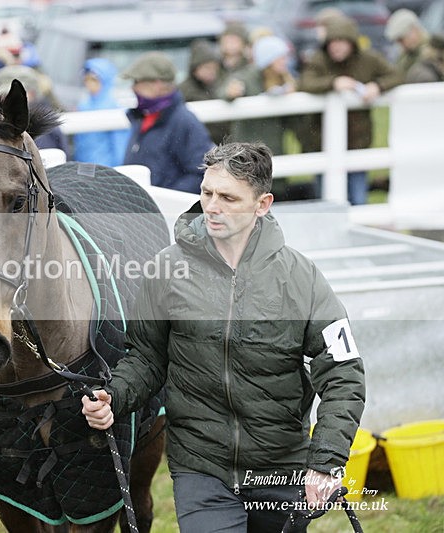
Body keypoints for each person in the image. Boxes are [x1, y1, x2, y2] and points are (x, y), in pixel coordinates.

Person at [82, 141, 366, 533]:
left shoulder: (302, 279)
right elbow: (147, 357)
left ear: (262, 204)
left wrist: (326, 460)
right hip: (201, 466)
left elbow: (343, 374)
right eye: (207, 192)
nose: (212, 206)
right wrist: (115, 397)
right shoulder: (166, 268)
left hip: (280, 466)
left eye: (228, 198)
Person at [299, 15, 403, 205]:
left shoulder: (369, 59)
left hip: (357, 140)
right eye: (332, 42)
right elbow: (305, 82)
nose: (336, 46)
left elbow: (396, 75)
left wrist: (378, 86)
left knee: (358, 198)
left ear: (351, 43)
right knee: (327, 199)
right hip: (323, 141)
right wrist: (333, 83)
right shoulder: (319, 60)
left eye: (341, 41)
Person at [121, 51, 213, 193]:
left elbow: (201, 172)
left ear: (157, 84)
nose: (133, 88)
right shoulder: (143, 117)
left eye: (137, 82)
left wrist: (165, 199)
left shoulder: (184, 122)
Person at [221, 35, 298, 156]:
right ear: (269, 60)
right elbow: (224, 89)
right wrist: (230, 92)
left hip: (275, 146)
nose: (285, 61)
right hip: (248, 147)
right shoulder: (248, 77)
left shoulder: (286, 79)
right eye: (281, 58)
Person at [0, 64, 70, 156]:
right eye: (5, 94)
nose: (11, 99)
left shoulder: (45, 126)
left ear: (33, 93)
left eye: (18, 94)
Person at [72, 58, 130, 167]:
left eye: (94, 79)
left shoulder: (114, 106)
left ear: (105, 80)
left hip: (106, 169)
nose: (89, 83)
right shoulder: (84, 104)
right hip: (83, 168)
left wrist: (119, 170)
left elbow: (120, 145)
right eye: (87, 79)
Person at [178, 39, 229, 145]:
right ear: (195, 69)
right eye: (207, 68)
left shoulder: (223, 83)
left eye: (214, 68)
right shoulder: (183, 90)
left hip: (224, 142)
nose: (212, 72)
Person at [385, 8, 429, 77]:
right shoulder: (405, 56)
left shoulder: (432, 52)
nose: (400, 44)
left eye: (401, 39)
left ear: (414, 30)